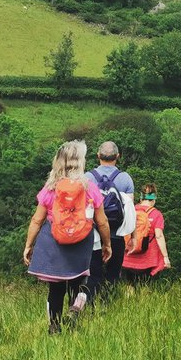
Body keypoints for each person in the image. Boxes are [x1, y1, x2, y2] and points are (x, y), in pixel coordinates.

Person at [23, 140, 112, 334]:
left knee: (55, 289)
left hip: (53, 241)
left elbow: (37, 221)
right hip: (81, 242)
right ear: (80, 162)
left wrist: (29, 245)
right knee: (78, 282)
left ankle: (54, 326)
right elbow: (103, 222)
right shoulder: (90, 188)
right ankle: (74, 312)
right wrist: (107, 244)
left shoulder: (50, 189)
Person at [85, 140, 135, 304]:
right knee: (113, 274)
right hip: (116, 235)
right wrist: (132, 236)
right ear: (118, 156)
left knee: (93, 275)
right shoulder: (125, 179)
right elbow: (129, 212)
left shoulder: (88, 177)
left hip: (92, 236)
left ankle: (90, 306)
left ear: (98, 156)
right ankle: (107, 306)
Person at [119, 182, 170, 284]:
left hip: (128, 257)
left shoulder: (130, 210)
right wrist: (165, 257)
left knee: (129, 286)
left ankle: (129, 300)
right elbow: (159, 235)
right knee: (145, 287)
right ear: (154, 199)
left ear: (141, 198)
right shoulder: (156, 214)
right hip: (147, 260)